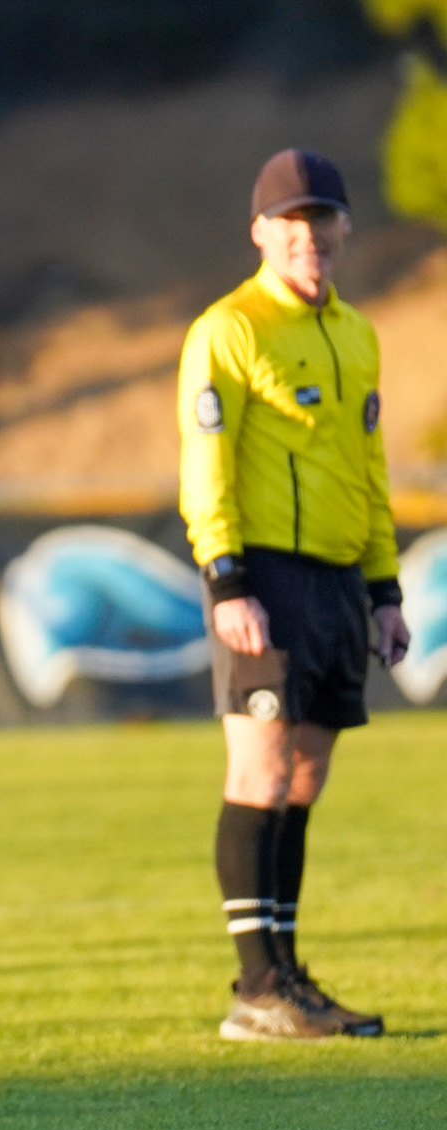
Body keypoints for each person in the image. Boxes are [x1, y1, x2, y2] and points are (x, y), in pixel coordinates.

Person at [178, 148, 412, 1042]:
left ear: (345, 228)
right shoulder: (229, 329)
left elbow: (369, 468)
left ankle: (286, 977)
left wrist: (384, 588)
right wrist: (227, 580)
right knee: (260, 770)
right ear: (260, 233)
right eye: (291, 221)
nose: (307, 236)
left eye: (321, 219)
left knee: (305, 777)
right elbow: (206, 466)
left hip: (338, 579)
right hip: (264, 577)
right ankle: (256, 987)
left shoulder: (357, 334)